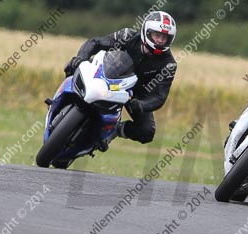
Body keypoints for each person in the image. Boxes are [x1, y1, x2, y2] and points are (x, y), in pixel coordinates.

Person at [63, 11, 178, 149]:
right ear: (147, 32)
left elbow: (160, 96)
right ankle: (61, 101)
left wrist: (141, 105)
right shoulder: (128, 36)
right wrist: (81, 58)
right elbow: (96, 42)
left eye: (164, 37)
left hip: (134, 94)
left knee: (147, 132)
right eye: (157, 35)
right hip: (107, 74)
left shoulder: (169, 64)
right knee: (72, 66)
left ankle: (116, 130)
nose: (160, 40)